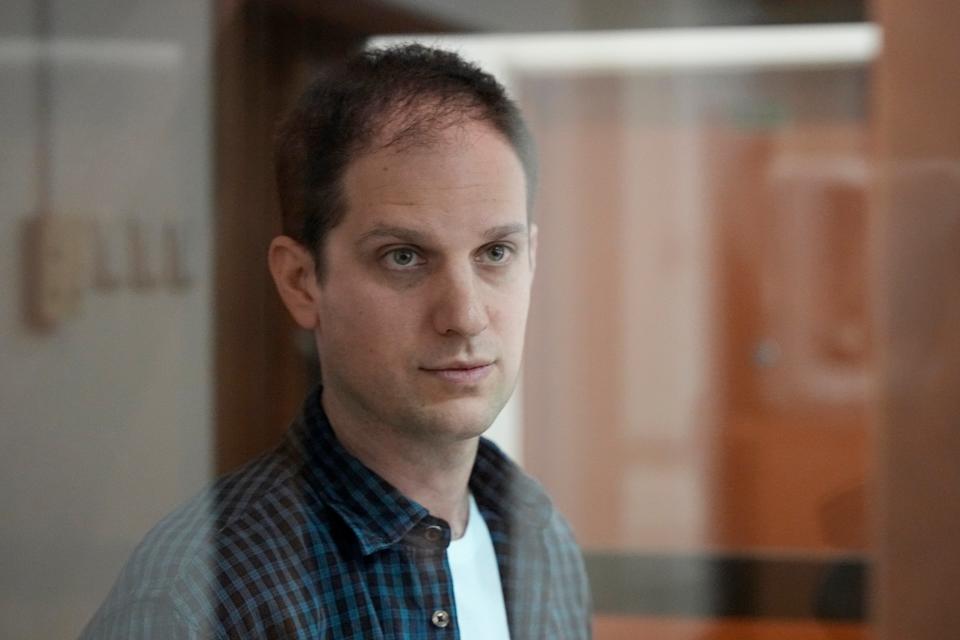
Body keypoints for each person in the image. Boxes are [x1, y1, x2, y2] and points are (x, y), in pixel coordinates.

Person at [79, 43, 591, 639]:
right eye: (404, 257)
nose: (466, 316)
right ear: (302, 283)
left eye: (495, 253)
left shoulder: (540, 540)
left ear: (531, 259)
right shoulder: (196, 598)